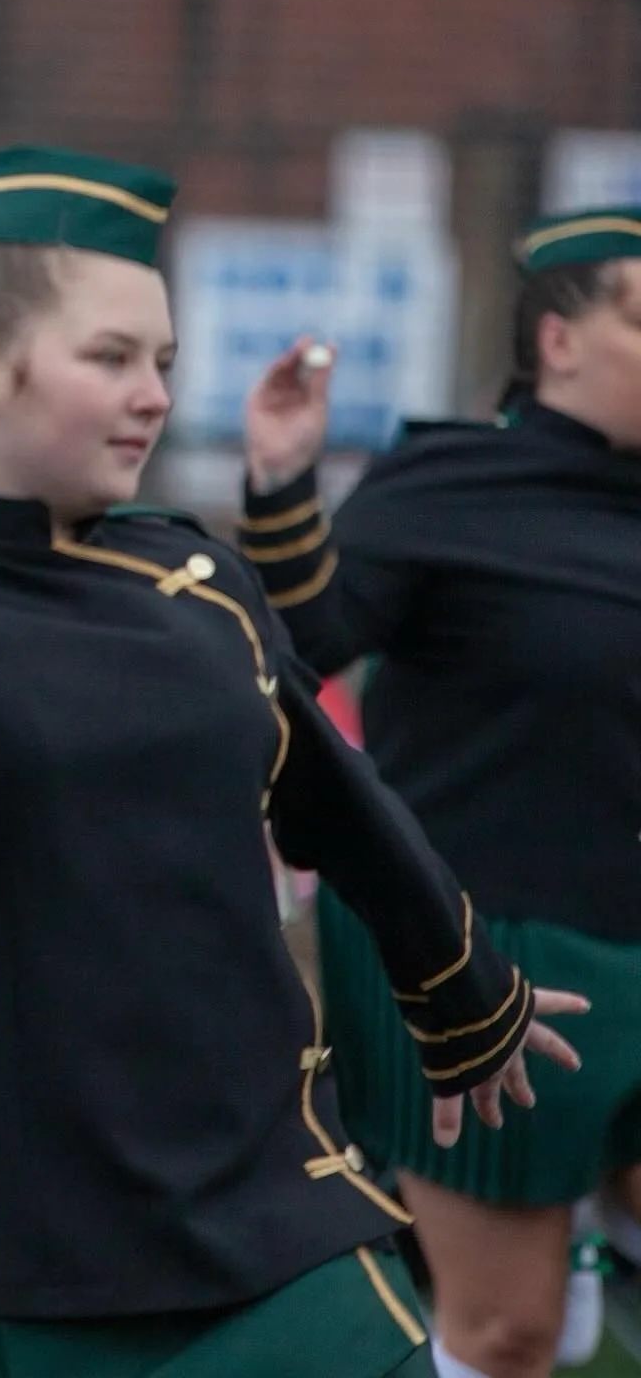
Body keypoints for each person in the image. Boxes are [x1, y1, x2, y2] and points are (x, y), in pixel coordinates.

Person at [0, 146, 587, 1378]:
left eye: (165, 364)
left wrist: (457, 990)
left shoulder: (194, 579)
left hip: (278, 1228)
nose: (153, 396)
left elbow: (339, 804)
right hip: (4, 1273)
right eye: (112, 359)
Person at [239, 205, 641, 1378]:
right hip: (491, 954)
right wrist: (280, 484)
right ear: (560, 339)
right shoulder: (453, 481)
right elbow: (312, 634)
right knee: (505, 1329)